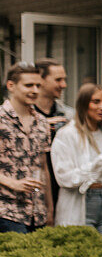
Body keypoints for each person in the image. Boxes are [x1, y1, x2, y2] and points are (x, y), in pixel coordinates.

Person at [51, 84, 102, 243]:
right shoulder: (67, 134)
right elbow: (64, 178)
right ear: (83, 103)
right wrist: (98, 165)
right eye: (96, 102)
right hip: (82, 205)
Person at [0, 63, 52, 232]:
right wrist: (12, 183)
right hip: (6, 210)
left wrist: (50, 208)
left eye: (38, 85)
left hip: (37, 213)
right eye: (29, 85)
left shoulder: (42, 122)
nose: (35, 90)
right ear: (11, 86)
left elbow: (43, 167)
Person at [34, 58, 73, 208]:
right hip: (34, 188)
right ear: (40, 80)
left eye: (64, 79)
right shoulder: (22, 116)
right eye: (58, 80)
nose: (64, 85)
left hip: (62, 191)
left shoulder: (69, 116)